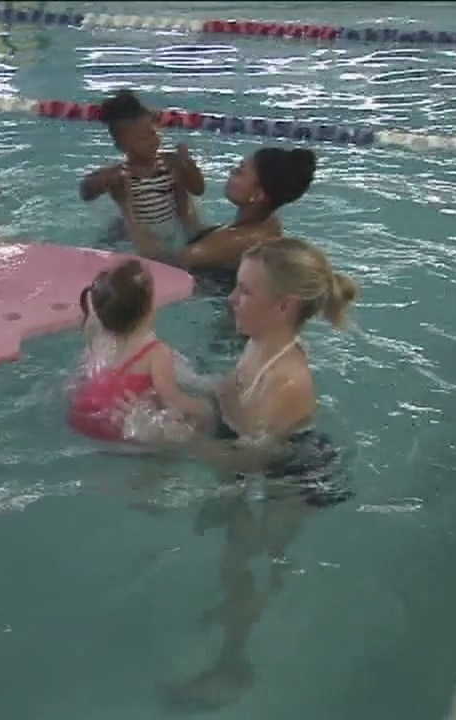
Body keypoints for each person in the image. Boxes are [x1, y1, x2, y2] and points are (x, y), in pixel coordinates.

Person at [118, 238, 358, 709]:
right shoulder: (260, 344)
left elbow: (247, 460)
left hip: (289, 479)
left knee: (252, 565)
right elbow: (230, 401)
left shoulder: (288, 380)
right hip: (257, 457)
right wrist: (173, 390)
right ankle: (234, 614)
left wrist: (178, 440)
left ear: (283, 306)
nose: (230, 298)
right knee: (234, 555)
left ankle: (236, 666)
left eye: (245, 291)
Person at [126, 146, 318, 294]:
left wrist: (125, 205)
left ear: (257, 195)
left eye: (239, 171)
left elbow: (159, 263)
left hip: (221, 323)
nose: (231, 172)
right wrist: (180, 183)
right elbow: (203, 237)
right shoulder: (266, 220)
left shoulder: (242, 240)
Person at [68, 259, 209, 445]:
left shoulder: (100, 339)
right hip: (121, 426)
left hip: (84, 415)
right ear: (148, 309)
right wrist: (205, 408)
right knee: (191, 427)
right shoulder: (156, 353)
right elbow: (172, 399)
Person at [78, 90, 206, 250]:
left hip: (168, 230)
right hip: (135, 235)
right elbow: (86, 191)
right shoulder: (119, 174)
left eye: (153, 133)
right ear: (122, 146)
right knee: (111, 239)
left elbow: (198, 189)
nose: (152, 141)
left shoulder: (170, 162)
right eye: (143, 139)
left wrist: (188, 165)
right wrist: (100, 182)